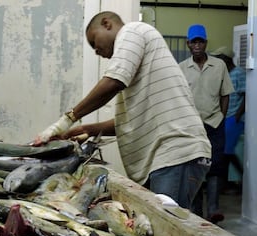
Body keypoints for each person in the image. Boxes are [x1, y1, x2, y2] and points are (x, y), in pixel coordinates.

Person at [34, 11, 211, 210]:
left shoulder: (133, 31)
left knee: (168, 230)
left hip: (174, 153)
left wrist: (67, 120)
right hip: (165, 159)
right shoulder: (137, 63)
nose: (96, 51)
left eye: (94, 42)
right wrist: (89, 130)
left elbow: (113, 82)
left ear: (107, 23)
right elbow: (128, 122)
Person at [179, 25, 234, 223]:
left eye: (200, 41)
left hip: (214, 124)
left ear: (206, 43)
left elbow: (225, 94)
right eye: (193, 42)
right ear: (188, 44)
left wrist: (221, 116)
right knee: (193, 166)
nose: (197, 45)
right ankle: (196, 210)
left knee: (215, 166)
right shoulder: (182, 68)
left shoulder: (218, 66)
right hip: (192, 126)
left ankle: (213, 209)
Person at [211, 46, 246, 193]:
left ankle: (234, 183)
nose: (217, 60)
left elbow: (246, 95)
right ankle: (227, 184)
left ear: (226, 59)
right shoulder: (223, 73)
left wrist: (238, 115)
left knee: (226, 151)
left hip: (234, 118)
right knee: (225, 151)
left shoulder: (239, 73)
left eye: (219, 58)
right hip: (225, 117)